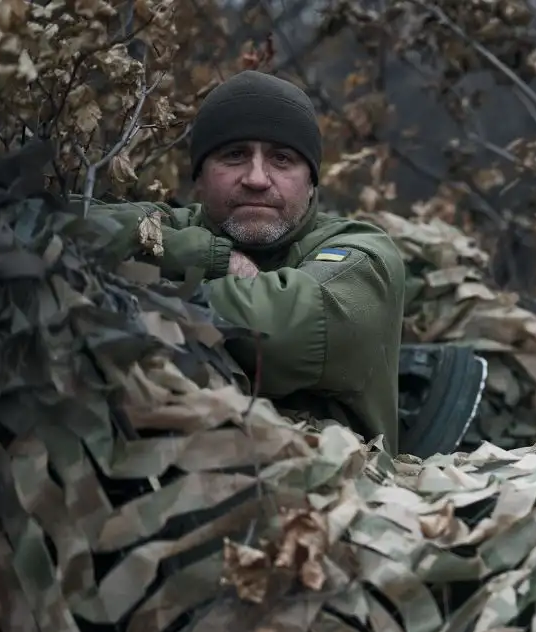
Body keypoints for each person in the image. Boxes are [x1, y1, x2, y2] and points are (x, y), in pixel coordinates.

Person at [86, 70, 407, 454]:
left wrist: (134, 287)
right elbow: (58, 223)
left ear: (312, 184)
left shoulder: (362, 252)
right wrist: (211, 257)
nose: (257, 178)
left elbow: (278, 335)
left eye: (282, 159)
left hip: (326, 499)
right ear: (199, 179)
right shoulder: (176, 226)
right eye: (235, 155)